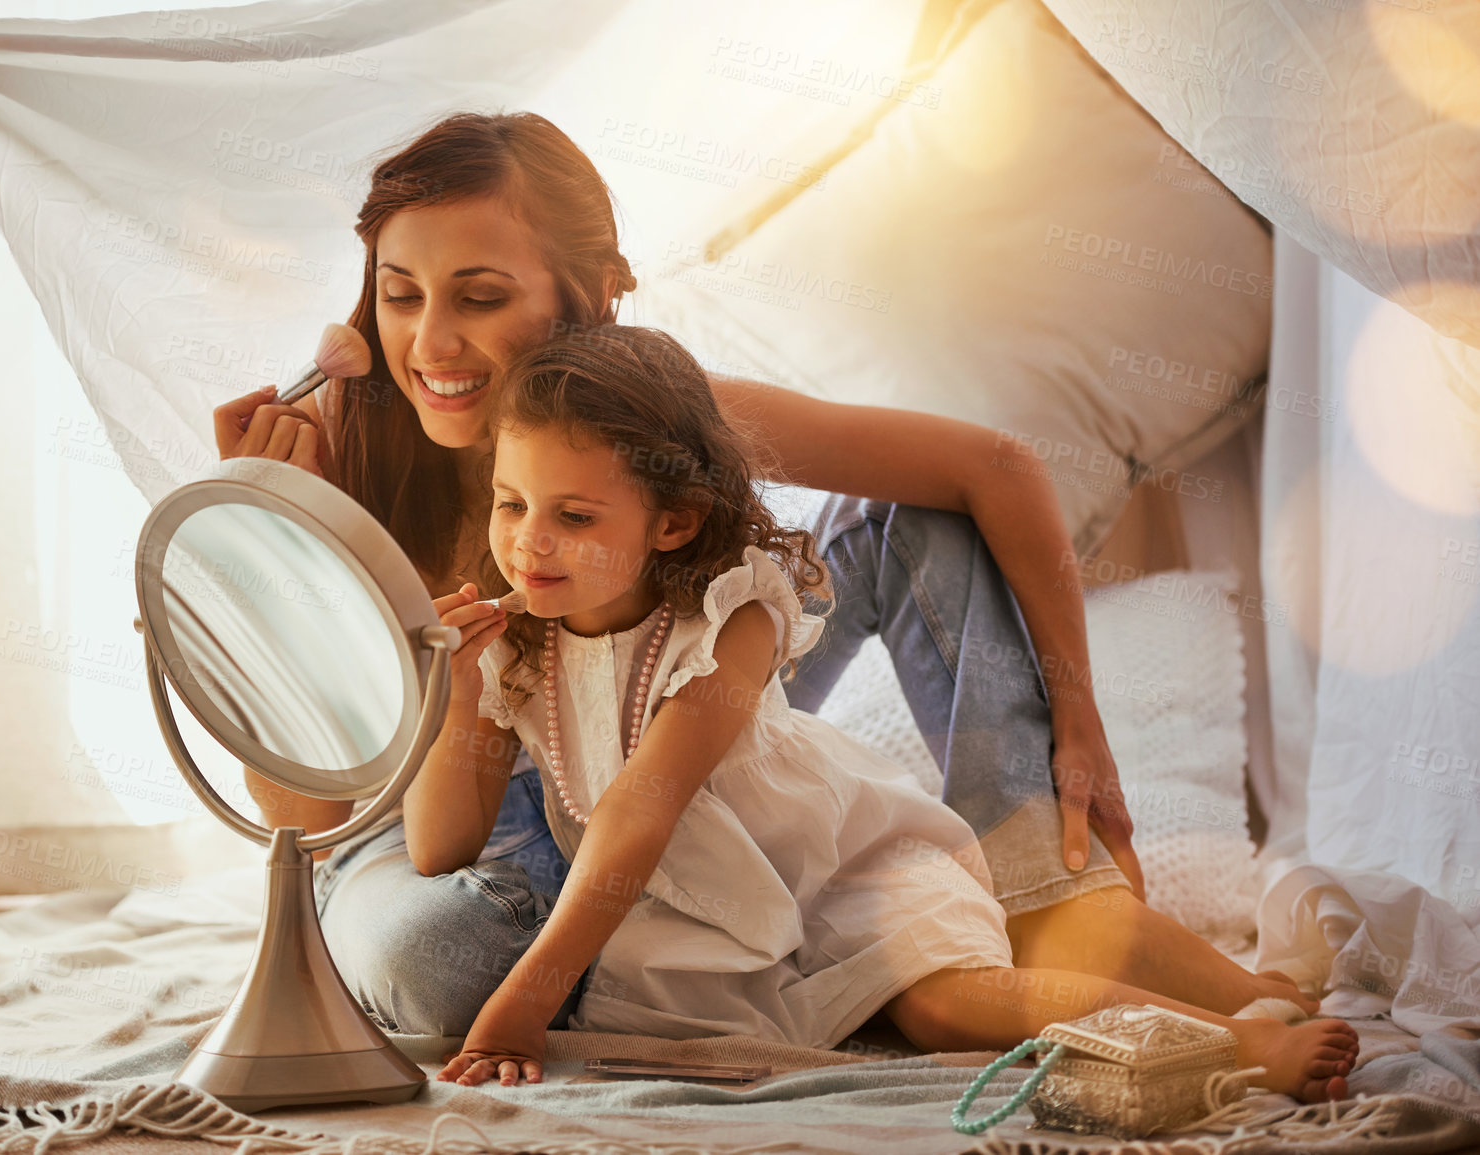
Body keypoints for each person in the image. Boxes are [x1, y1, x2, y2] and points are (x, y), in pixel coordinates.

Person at [210, 110, 1313, 1044]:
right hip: (459, 838)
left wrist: (1079, 720)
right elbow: (299, 814)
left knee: (908, 516)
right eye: (400, 295)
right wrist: (264, 544)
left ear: (589, 298)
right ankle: (768, 965)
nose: (432, 344)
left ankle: (1039, 887)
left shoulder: (661, 418)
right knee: (440, 966)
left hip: (658, 731)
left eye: (480, 296)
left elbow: (992, 465)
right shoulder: (334, 457)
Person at [417, 323, 1357, 1098]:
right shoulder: (515, 643)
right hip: (710, 921)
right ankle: (1258, 993)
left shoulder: (728, 615)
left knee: (943, 1007)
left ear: (673, 522)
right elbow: (439, 848)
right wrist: (455, 699)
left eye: (573, 517)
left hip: (840, 874)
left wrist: (521, 1002)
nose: (527, 541)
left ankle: (1244, 1041)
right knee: (886, 1018)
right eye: (510, 503)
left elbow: (640, 810)